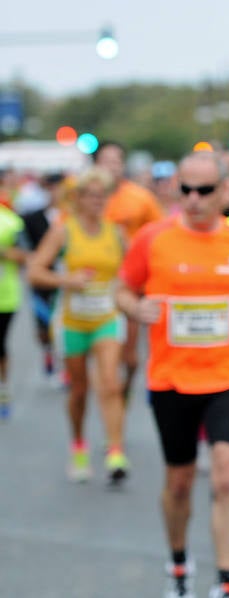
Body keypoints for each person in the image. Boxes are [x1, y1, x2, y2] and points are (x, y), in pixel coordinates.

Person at [116, 151, 229, 598]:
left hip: (228, 375)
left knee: (226, 475)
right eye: (186, 189)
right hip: (170, 377)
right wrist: (134, 306)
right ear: (175, 189)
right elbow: (122, 288)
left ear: (224, 191)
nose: (195, 198)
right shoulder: (152, 238)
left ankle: (226, 582)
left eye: (205, 190)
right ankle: (179, 562)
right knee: (180, 481)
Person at [27, 168, 130, 483]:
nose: (97, 201)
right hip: (72, 321)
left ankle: (115, 451)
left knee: (111, 383)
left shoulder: (116, 233)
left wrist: (129, 296)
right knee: (79, 391)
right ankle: (79, 446)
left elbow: (130, 275)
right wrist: (65, 280)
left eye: (102, 195)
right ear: (78, 199)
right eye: (91, 195)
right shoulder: (64, 231)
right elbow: (34, 271)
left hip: (106, 318)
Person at [94, 140, 164, 403]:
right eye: (106, 161)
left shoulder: (139, 197)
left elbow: (163, 233)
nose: (112, 167)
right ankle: (111, 397)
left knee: (130, 357)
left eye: (117, 160)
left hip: (130, 284)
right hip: (96, 286)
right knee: (107, 357)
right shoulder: (86, 197)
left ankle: (123, 388)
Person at [21, 172, 68, 381]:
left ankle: (64, 365)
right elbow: (24, 246)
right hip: (43, 280)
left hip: (66, 280)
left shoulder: (71, 219)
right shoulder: (33, 218)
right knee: (43, 327)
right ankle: (48, 351)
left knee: (62, 324)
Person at [0, 200, 26, 419]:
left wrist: (3, 252)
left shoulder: (10, 221)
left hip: (5, 297)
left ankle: (3, 389)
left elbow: (24, 256)